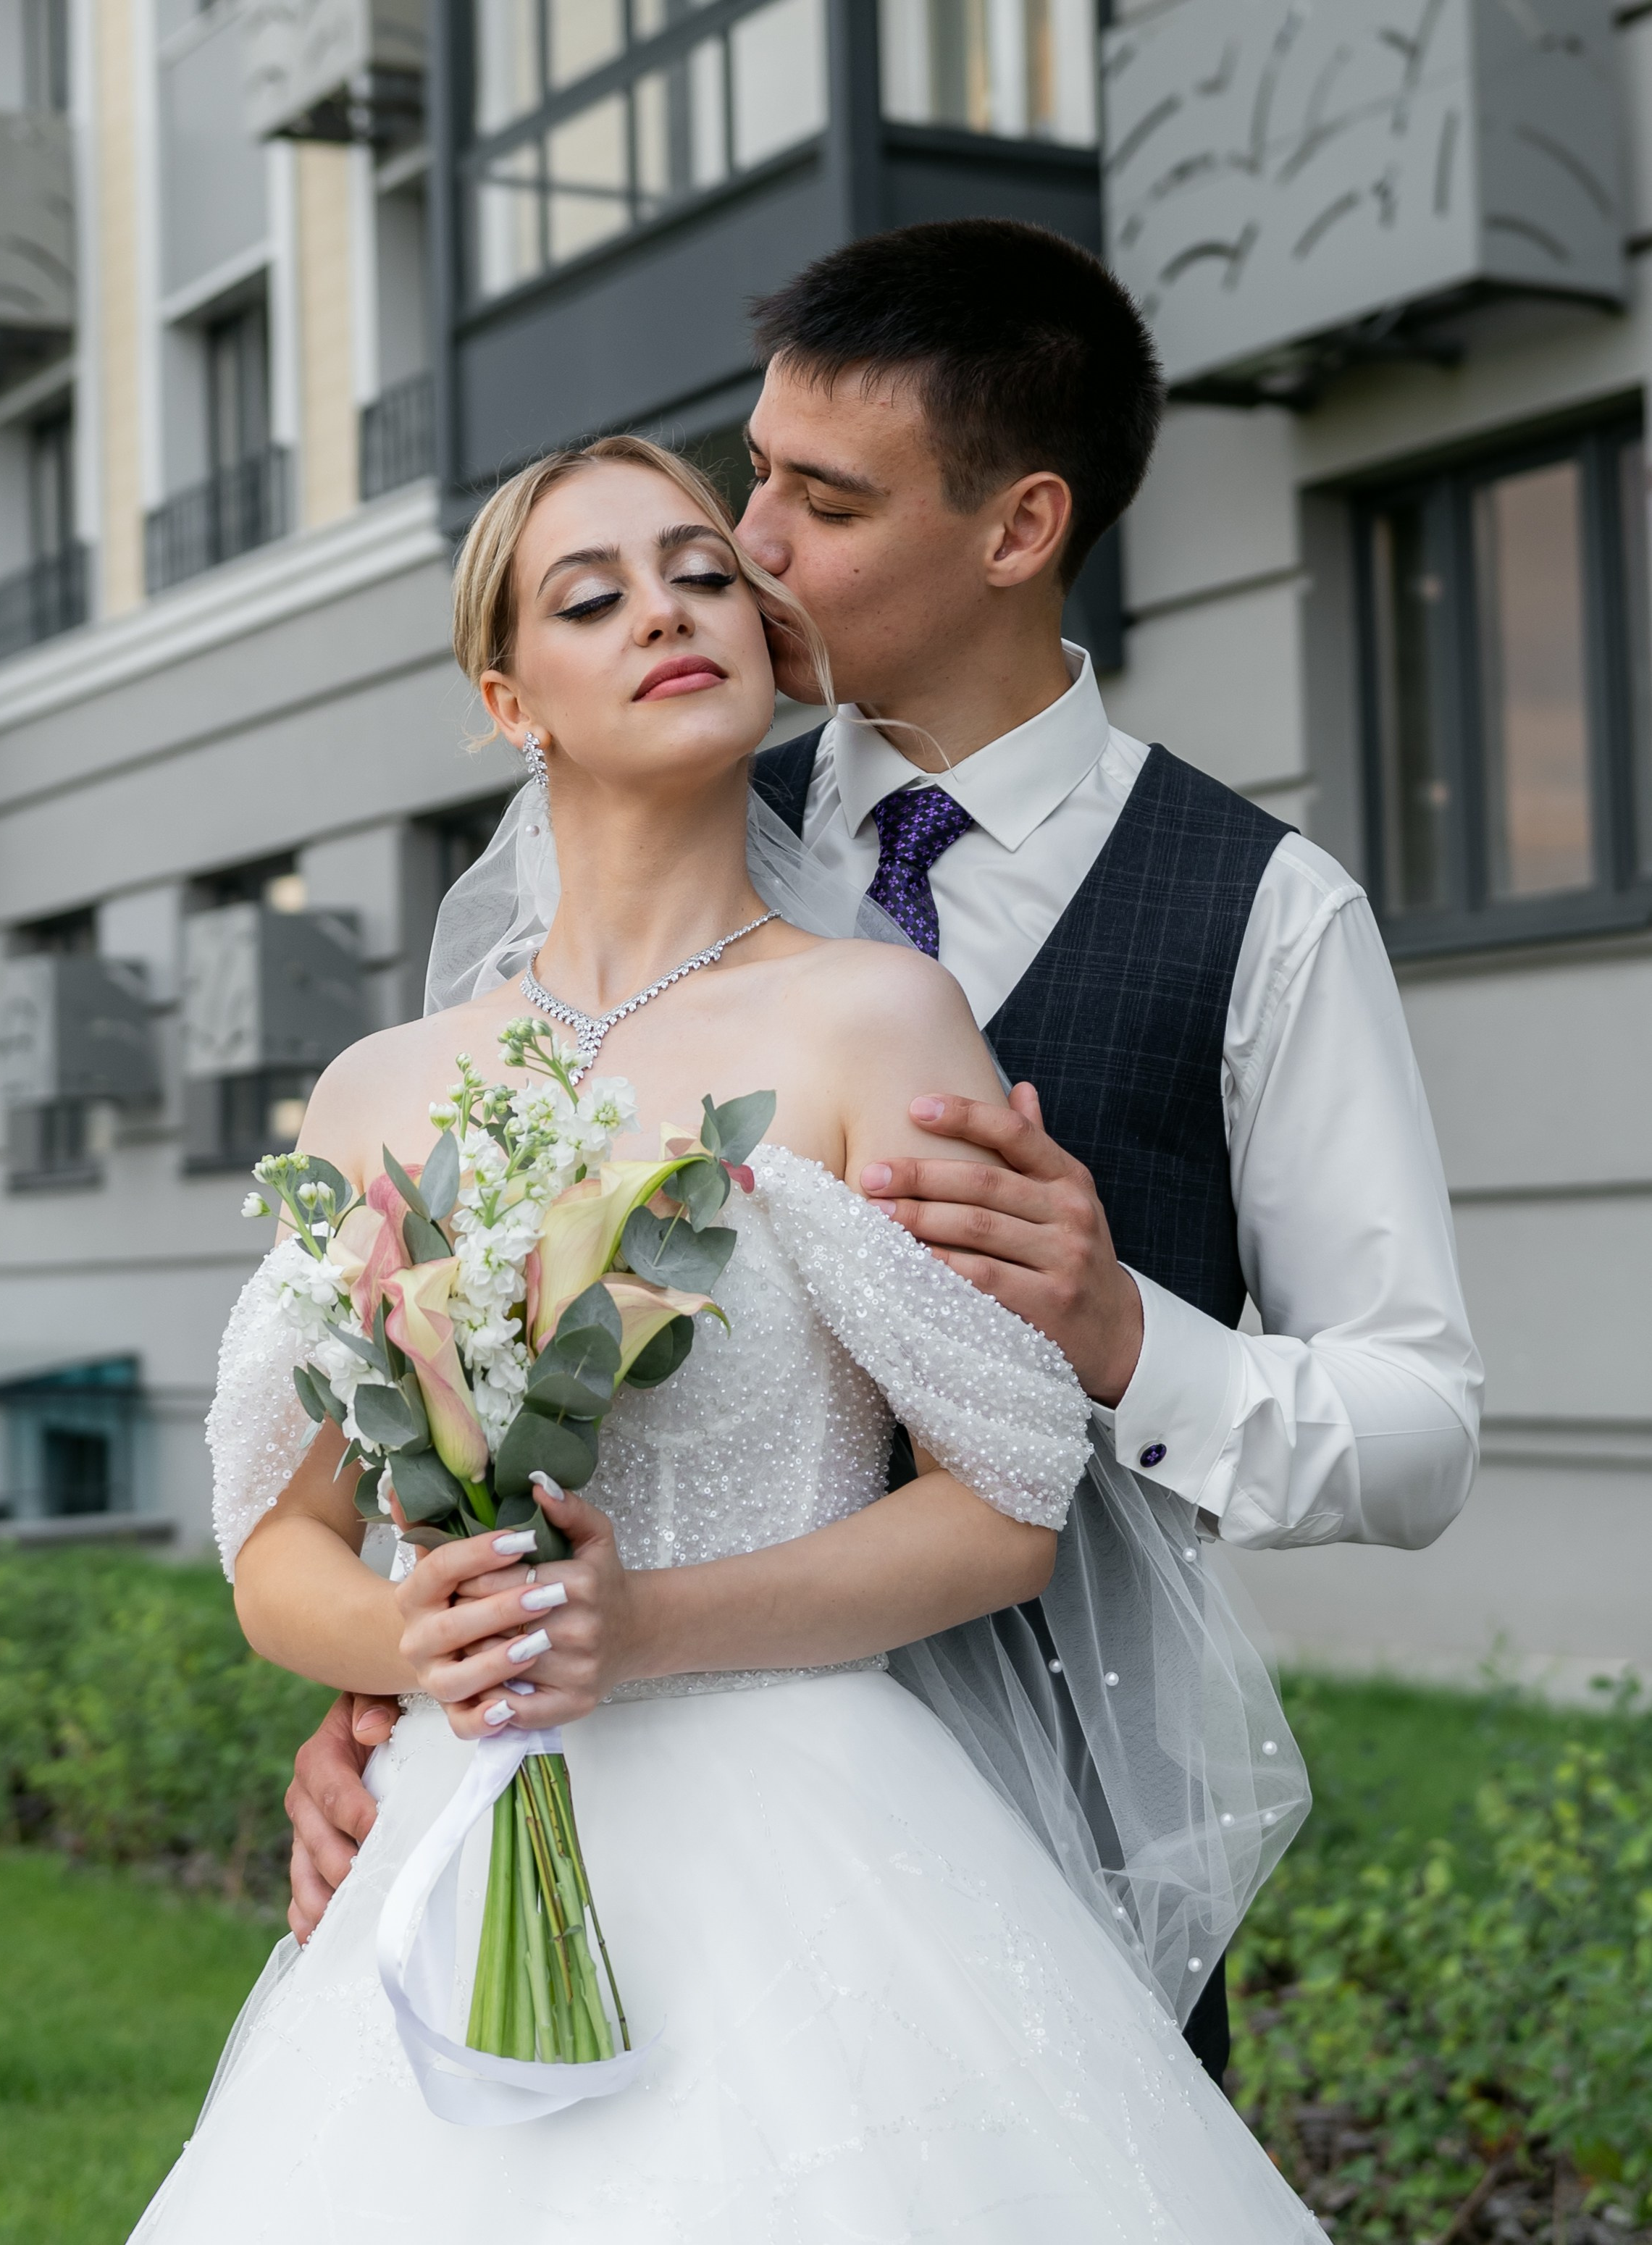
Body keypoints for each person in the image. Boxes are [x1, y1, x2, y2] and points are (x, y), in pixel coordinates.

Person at [282, 222, 1482, 2085]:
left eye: (816, 502)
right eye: (748, 471)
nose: (744, 549)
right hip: (602, 1814)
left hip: (1059, 1862)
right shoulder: (652, 788)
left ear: (1016, 529)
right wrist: (407, 1674)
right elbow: (446, 1313)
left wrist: (1121, 1336)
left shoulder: (1258, 910)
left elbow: (1418, 1428)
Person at [133, 435, 1328, 2241]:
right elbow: (276, 1545)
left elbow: (1005, 1505)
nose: (666, 611)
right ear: (506, 696)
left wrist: (643, 1626)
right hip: (468, 1829)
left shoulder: (871, 1019)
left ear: (766, 636)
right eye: (589, 595)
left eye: (701, 570)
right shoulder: (382, 1088)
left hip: (821, 1842)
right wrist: (421, 1632)